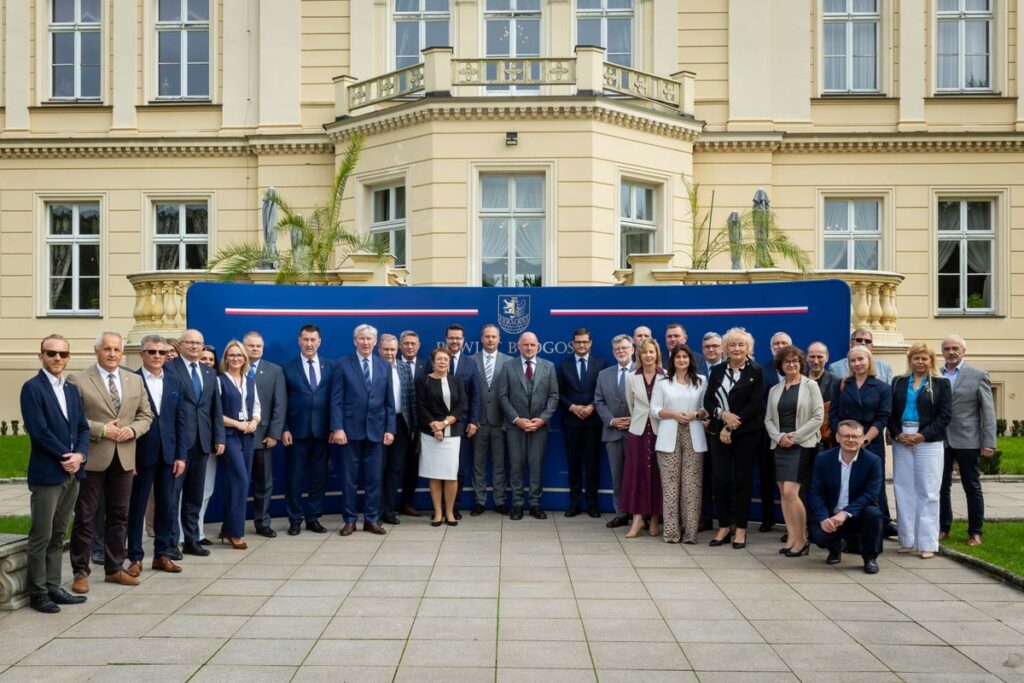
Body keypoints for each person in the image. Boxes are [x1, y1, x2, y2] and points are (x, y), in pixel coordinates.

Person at [69, 331, 153, 593]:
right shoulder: (79, 380)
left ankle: (114, 568)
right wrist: (102, 429)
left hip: (125, 457)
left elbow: (146, 414)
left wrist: (133, 430)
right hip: (93, 457)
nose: (113, 354)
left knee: (120, 515)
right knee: (86, 516)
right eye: (107, 349)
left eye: (117, 349)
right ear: (97, 351)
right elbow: (74, 419)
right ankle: (80, 572)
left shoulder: (134, 380)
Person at [20, 335, 89, 613]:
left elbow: (83, 428)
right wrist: (67, 457)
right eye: (51, 353)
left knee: (60, 533)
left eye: (62, 354)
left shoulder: (71, 390)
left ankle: (53, 586)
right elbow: (38, 432)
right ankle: (38, 592)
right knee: (42, 534)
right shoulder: (32, 388)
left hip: (72, 473)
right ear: (41, 357)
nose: (57, 358)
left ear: (68, 357)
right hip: (48, 473)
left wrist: (80, 455)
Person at [127, 335, 187, 577]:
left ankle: (162, 554)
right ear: (142, 354)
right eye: (152, 352)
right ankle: (135, 557)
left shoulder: (174, 381)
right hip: (140, 455)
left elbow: (181, 421)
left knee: (166, 506)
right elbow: (128, 420)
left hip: (169, 455)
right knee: (137, 508)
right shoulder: (132, 381)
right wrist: (128, 458)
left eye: (162, 352)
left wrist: (181, 455)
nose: (157, 357)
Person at [331, 324, 396, 536]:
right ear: (355, 341)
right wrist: (337, 428)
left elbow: (389, 402)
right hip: (349, 432)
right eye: (362, 339)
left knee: (374, 479)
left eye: (369, 339)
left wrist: (390, 429)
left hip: (376, 431)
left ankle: (371, 519)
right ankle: (349, 520)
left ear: (375, 342)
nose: (366, 342)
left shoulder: (384, 365)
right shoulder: (342, 364)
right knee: (349, 479)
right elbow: (336, 401)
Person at [703, 327, 764, 549]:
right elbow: (709, 401)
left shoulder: (756, 371)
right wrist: (722, 416)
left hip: (746, 432)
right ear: (726, 349)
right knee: (719, 478)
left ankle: (740, 529)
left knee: (742, 480)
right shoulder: (717, 371)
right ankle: (724, 526)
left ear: (748, 348)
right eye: (732, 345)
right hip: (718, 431)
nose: (737, 349)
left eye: (741, 345)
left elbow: (755, 404)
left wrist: (731, 426)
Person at [165, 328, 225, 556]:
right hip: (178, 444)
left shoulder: (208, 373)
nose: (194, 346)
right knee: (172, 497)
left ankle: (191, 539)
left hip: (203, 442)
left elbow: (214, 408)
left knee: (194, 496)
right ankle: (171, 543)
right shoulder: (169, 369)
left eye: (198, 343)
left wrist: (219, 437)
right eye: (189, 342)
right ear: (180, 344)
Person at [890, 343, 952, 559]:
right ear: (910, 360)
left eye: (924, 358)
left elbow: (945, 415)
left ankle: (927, 542)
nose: (920, 362)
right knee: (903, 487)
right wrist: (897, 434)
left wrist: (922, 435)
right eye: (916, 358)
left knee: (928, 489)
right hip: (902, 437)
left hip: (928, 439)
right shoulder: (898, 382)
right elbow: (890, 412)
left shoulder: (941, 384)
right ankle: (907, 539)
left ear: (931, 361)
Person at [829, 345, 895, 537]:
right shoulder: (842, 384)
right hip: (845, 443)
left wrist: (864, 439)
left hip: (870, 442)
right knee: (847, 483)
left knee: (874, 486)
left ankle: (878, 528)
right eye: (853, 360)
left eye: (861, 359)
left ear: (869, 360)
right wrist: (842, 436)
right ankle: (848, 529)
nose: (857, 364)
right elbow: (834, 414)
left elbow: (883, 417)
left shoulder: (882, 387)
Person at [764, 345, 823, 557]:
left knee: (791, 491)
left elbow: (818, 417)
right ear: (781, 365)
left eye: (795, 361)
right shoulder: (775, 390)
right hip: (779, 445)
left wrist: (794, 437)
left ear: (801, 363)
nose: (791, 364)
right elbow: (768, 419)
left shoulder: (811, 386)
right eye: (787, 361)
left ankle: (802, 539)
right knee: (783, 493)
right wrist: (780, 437)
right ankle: (791, 537)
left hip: (802, 445)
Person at [939, 334, 996, 546]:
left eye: (955, 348)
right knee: (941, 486)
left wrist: (988, 441)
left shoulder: (978, 375)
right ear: (942, 351)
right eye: (947, 348)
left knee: (971, 486)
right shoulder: (936, 374)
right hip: (941, 439)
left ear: (964, 351)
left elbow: (988, 411)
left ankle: (975, 532)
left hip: (968, 439)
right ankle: (943, 527)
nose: (951, 352)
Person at [495, 331, 559, 520]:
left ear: (537, 346)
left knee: (536, 465)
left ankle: (535, 504)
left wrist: (542, 419)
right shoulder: (508, 366)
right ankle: (517, 505)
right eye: (525, 345)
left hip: (539, 426)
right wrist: (517, 419)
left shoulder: (549, 366)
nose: (529, 348)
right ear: (518, 346)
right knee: (516, 465)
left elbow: (554, 396)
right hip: (516, 427)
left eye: (532, 345)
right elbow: (503, 397)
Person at [808, 420, 884, 574]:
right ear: (837, 437)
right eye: (846, 436)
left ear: (863, 439)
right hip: (831, 514)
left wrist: (845, 513)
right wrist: (823, 518)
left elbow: (871, 494)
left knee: (874, 514)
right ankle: (835, 547)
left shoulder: (873, 461)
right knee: (819, 538)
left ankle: (870, 557)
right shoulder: (823, 459)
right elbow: (816, 492)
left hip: (857, 514)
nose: (851, 440)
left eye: (855, 436)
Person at [281, 324, 335, 536]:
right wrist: (284, 428)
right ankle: (294, 519)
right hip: (296, 432)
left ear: (320, 342)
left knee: (318, 478)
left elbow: (335, 400)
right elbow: (281, 402)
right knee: (294, 477)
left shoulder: (330, 366)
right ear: (299, 341)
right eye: (306, 339)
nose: (309, 344)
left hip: (322, 432)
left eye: (313, 340)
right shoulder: (287, 368)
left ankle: (313, 517)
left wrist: (334, 427)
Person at [651, 344, 707, 544]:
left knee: (691, 487)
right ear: (672, 360)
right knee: (670, 487)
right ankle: (672, 533)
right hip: (668, 437)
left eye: (685, 356)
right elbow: (654, 410)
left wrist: (695, 414)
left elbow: (706, 409)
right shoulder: (662, 383)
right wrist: (674, 414)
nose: (682, 360)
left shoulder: (701, 381)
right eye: (678, 357)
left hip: (694, 436)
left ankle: (690, 534)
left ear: (690, 359)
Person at [557, 327, 608, 518]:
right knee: (574, 464)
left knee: (593, 465)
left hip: (594, 422)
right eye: (578, 342)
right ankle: (575, 504)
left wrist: (592, 406)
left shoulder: (601, 364)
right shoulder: (563, 365)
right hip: (571, 422)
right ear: (572, 343)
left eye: (585, 341)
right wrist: (572, 407)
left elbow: (604, 391)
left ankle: (592, 505)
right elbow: (559, 392)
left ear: (590, 343)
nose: (581, 345)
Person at [217, 340, 262, 550]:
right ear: (226, 358)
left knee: (238, 483)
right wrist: (238, 424)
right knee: (241, 480)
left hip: (248, 436)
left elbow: (256, 407)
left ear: (245, 359)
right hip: (229, 436)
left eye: (239, 355)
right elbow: (215, 414)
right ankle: (235, 532)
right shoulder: (220, 381)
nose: (236, 358)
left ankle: (227, 528)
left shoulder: (250, 381)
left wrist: (253, 422)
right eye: (231, 355)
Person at [417, 347, 467, 526]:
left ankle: (450, 512)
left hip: (452, 434)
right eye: (439, 359)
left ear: (450, 362)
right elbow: (421, 406)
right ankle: (438, 512)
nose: (442, 362)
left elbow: (460, 406)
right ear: (433, 361)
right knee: (435, 475)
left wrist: (444, 424)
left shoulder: (456, 381)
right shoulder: (424, 381)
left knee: (451, 475)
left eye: (446, 359)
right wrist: (434, 426)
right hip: (430, 434)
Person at [244, 331, 287, 538]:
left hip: (263, 437)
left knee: (264, 483)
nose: (255, 349)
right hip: (238, 437)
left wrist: (274, 434)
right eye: (251, 346)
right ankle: (231, 524)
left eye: (258, 346)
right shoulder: (232, 367)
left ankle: (262, 522)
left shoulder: (275, 371)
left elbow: (280, 405)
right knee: (237, 482)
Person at [622, 338, 665, 538]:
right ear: (639, 355)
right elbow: (632, 405)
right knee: (636, 476)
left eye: (652, 352)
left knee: (658, 475)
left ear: (657, 354)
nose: (648, 355)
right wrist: (640, 418)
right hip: (638, 432)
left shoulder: (666, 376)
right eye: (644, 352)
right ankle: (638, 519)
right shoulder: (632, 377)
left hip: (660, 432)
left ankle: (655, 519)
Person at [594, 334, 635, 529]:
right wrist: (612, 420)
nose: (621, 351)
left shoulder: (642, 371)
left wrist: (634, 421)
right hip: (612, 433)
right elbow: (599, 401)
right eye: (618, 349)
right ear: (613, 351)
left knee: (637, 475)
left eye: (625, 348)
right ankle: (621, 513)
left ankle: (638, 515)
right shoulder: (604, 374)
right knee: (617, 476)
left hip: (637, 433)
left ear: (633, 349)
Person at [472, 323, 512, 514]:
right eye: (487, 336)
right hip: (478, 422)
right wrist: (472, 419)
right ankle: (480, 501)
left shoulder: (509, 361)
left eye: (493, 337)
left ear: (499, 339)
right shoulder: (471, 360)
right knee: (478, 463)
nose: (490, 340)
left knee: (499, 464)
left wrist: (507, 420)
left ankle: (499, 501)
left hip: (500, 422)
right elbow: (469, 392)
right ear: (481, 338)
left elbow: (512, 394)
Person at [441, 324, 480, 519]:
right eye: (451, 338)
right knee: (440, 467)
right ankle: (439, 508)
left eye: (458, 338)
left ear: (463, 340)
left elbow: (475, 394)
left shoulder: (470, 363)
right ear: (445, 339)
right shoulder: (436, 361)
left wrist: (473, 421)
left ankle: (453, 506)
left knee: (460, 468)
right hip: (439, 425)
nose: (454, 341)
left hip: (463, 424)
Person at [758, 330, 794, 532]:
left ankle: (792, 524)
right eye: (777, 344)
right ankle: (768, 517)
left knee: (791, 480)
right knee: (767, 476)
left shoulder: (799, 370)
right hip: (768, 432)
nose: (780, 346)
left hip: (793, 433)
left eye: (784, 343)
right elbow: (760, 400)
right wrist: (774, 422)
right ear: (771, 347)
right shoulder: (763, 370)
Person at [379, 333, 415, 525]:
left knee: (395, 468)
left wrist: (413, 426)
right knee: (377, 468)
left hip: (401, 423)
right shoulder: (374, 367)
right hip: (378, 423)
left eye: (393, 349)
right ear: (379, 349)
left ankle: (388, 509)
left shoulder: (403, 367)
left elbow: (410, 399)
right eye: (386, 349)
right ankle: (374, 510)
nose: (390, 353)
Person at [397, 330, 426, 516]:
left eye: (413, 343)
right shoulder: (390, 365)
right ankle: (387, 504)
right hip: (397, 424)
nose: (409, 347)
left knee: (413, 466)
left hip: (421, 425)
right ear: (400, 345)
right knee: (393, 466)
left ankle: (407, 502)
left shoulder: (427, 366)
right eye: (406, 343)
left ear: (419, 345)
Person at [696, 331, 723, 531]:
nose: (711, 350)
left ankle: (726, 520)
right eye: (707, 347)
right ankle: (705, 517)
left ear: (721, 348)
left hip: (723, 432)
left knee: (722, 477)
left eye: (715, 346)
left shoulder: (728, 369)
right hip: (698, 431)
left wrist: (714, 422)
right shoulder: (694, 370)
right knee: (702, 478)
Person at [829, 328, 894, 385]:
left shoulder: (885, 368)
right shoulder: (835, 368)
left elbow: (889, 394)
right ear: (850, 343)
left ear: (872, 346)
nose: (863, 343)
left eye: (867, 341)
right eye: (859, 340)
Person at [805, 341, 836, 449]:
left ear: (827, 358)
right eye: (812, 357)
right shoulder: (797, 379)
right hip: (800, 438)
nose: (816, 361)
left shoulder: (835, 382)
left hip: (824, 440)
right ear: (806, 358)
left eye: (820, 357)